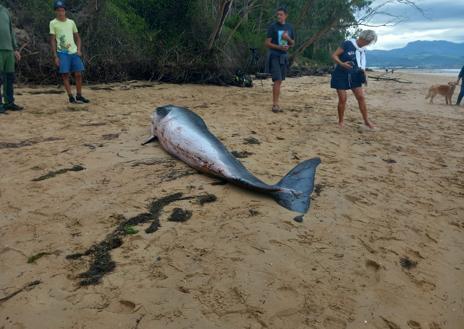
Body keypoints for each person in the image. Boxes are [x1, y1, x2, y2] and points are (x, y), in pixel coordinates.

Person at [330, 30, 378, 129]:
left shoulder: (363, 50)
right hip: (340, 74)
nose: (368, 44)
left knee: (361, 97)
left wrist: (365, 76)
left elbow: (361, 64)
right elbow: (334, 55)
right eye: (368, 42)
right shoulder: (347, 44)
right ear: (362, 38)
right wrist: (342, 64)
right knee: (343, 99)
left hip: (355, 75)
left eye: (370, 42)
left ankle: (366, 121)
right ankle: (341, 121)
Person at [49, 0, 89, 104]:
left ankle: (79, 95)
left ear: (65, 11)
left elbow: (78, 38)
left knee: (78, 74)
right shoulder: (53, 23)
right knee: (65, 74)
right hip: (62, 52)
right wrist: (55, 56)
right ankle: (70, 96)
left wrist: (79, 50)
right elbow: (52, 40)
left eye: (62, 10)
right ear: (55, 11)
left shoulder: (71, 22)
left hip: (73, 52)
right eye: (58, 10)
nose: (60, 12)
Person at [265, 6, 295, 113]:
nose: (279, 16)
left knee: (280, 80)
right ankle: (275, 104)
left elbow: (292, 43)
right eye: (277, 14)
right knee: (277, 80)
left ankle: (276, 102)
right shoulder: (273, 27)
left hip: (284, 57)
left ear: (286, 15)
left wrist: (288, 40)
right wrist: (279, 47)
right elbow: (267, 43)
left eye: (281, 14)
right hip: (274, 56)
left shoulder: (290, 27)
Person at [0, 4, 23, 114]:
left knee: (9, 77)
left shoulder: (5, 10)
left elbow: (11, 30)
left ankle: (9, 103)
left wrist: (15, 49)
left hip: (9, 50)